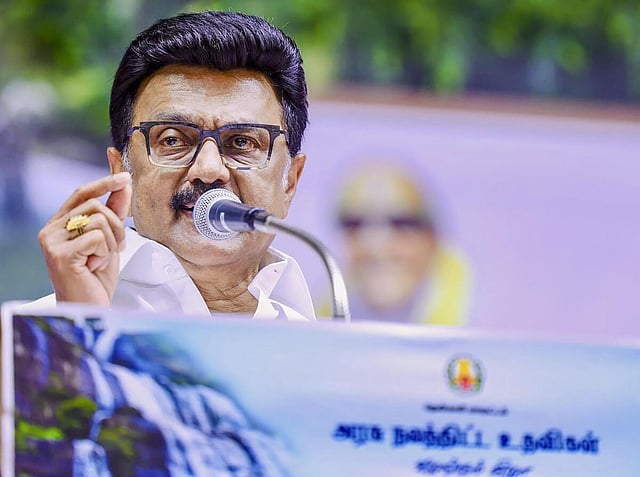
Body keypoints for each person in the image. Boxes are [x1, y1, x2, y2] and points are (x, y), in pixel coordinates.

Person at [30, 11, 315, 320]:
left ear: (289, 183)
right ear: (122, 174)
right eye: (173, 140)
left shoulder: (327, 343)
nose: (209, 170)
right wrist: (79, 325)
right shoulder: (38, 330)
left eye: (242, 143)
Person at [335, 160, 472, 325]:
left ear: (432, 241)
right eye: (355, 224)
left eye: (400, 224)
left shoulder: (474, 324)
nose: (375, 246)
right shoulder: (324, 312)